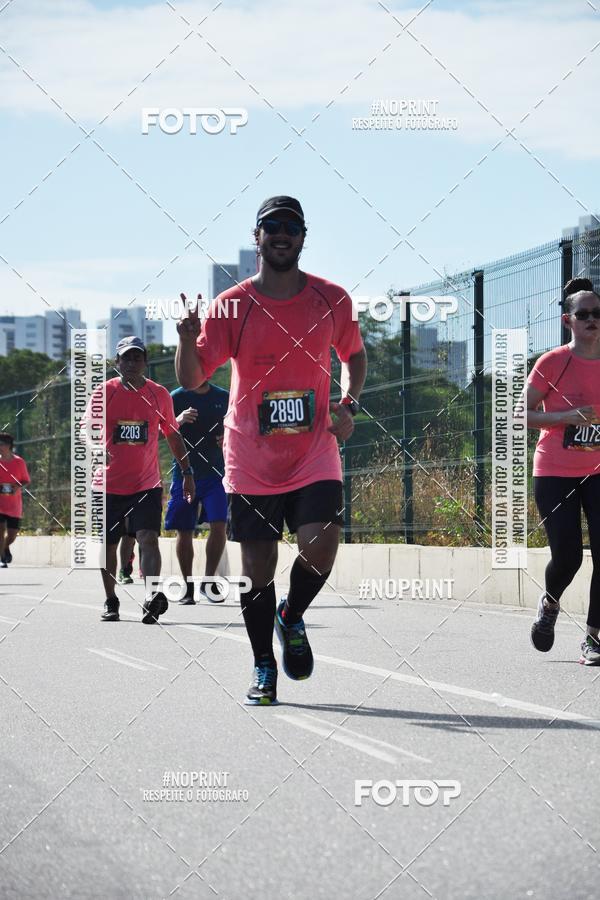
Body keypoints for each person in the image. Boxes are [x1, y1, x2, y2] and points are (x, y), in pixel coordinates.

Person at [176, 195, 367, 704]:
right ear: (256, 236)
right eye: (272, 226)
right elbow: (192, 378)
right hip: (251, 456)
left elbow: (355, 355)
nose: (282, 234)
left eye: (291, 227)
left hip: (314, 451)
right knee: (256, 570)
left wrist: (347, 403)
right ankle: (263, 665)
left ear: (303, 237)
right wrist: (187, 340)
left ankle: (292, 614)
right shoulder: (232, 305)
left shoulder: (331, 299)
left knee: (321, 547)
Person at [84, 336, 195, 623]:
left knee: (148, 538)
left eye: (137, 357)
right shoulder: (104, 392)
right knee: (109, 544)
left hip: (146, 484)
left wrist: (187, 473)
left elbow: (172, 435)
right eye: (126, 358)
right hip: (107, 485)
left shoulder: (159, 394)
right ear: (117, 362)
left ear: (145, 362)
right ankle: (111, 599)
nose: (131, 363)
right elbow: (87, 430)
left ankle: (151, 596)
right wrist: (97, 449)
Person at [528, 277, 600, 664]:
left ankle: (593, 638)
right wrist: (565, 417)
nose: (592, 320)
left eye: (598, 313)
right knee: (569, 556)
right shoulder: (553, 362)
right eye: (584, 314)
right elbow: (519, 414)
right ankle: (551, 602)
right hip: (555, 471)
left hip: (597, 470)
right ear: (567, 320)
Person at [165, 381, 229, 604]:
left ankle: (208, 582)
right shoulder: (175, 397)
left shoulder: (223, 397)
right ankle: (188, 586)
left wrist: (227, 438)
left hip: (216, 474)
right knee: (184, 529)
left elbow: (239, 427)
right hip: (184, 474)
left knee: (219, 525)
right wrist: (178, 420)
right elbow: (158, 431)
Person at [0, 433, 30, 568]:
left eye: (2, 444)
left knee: (12, 535)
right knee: (1, 530)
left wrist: (18, 486)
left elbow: (26, 480)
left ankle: (4, 547)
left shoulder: (19, 462)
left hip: (14, 505)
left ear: (9, 446)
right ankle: (2, 558)